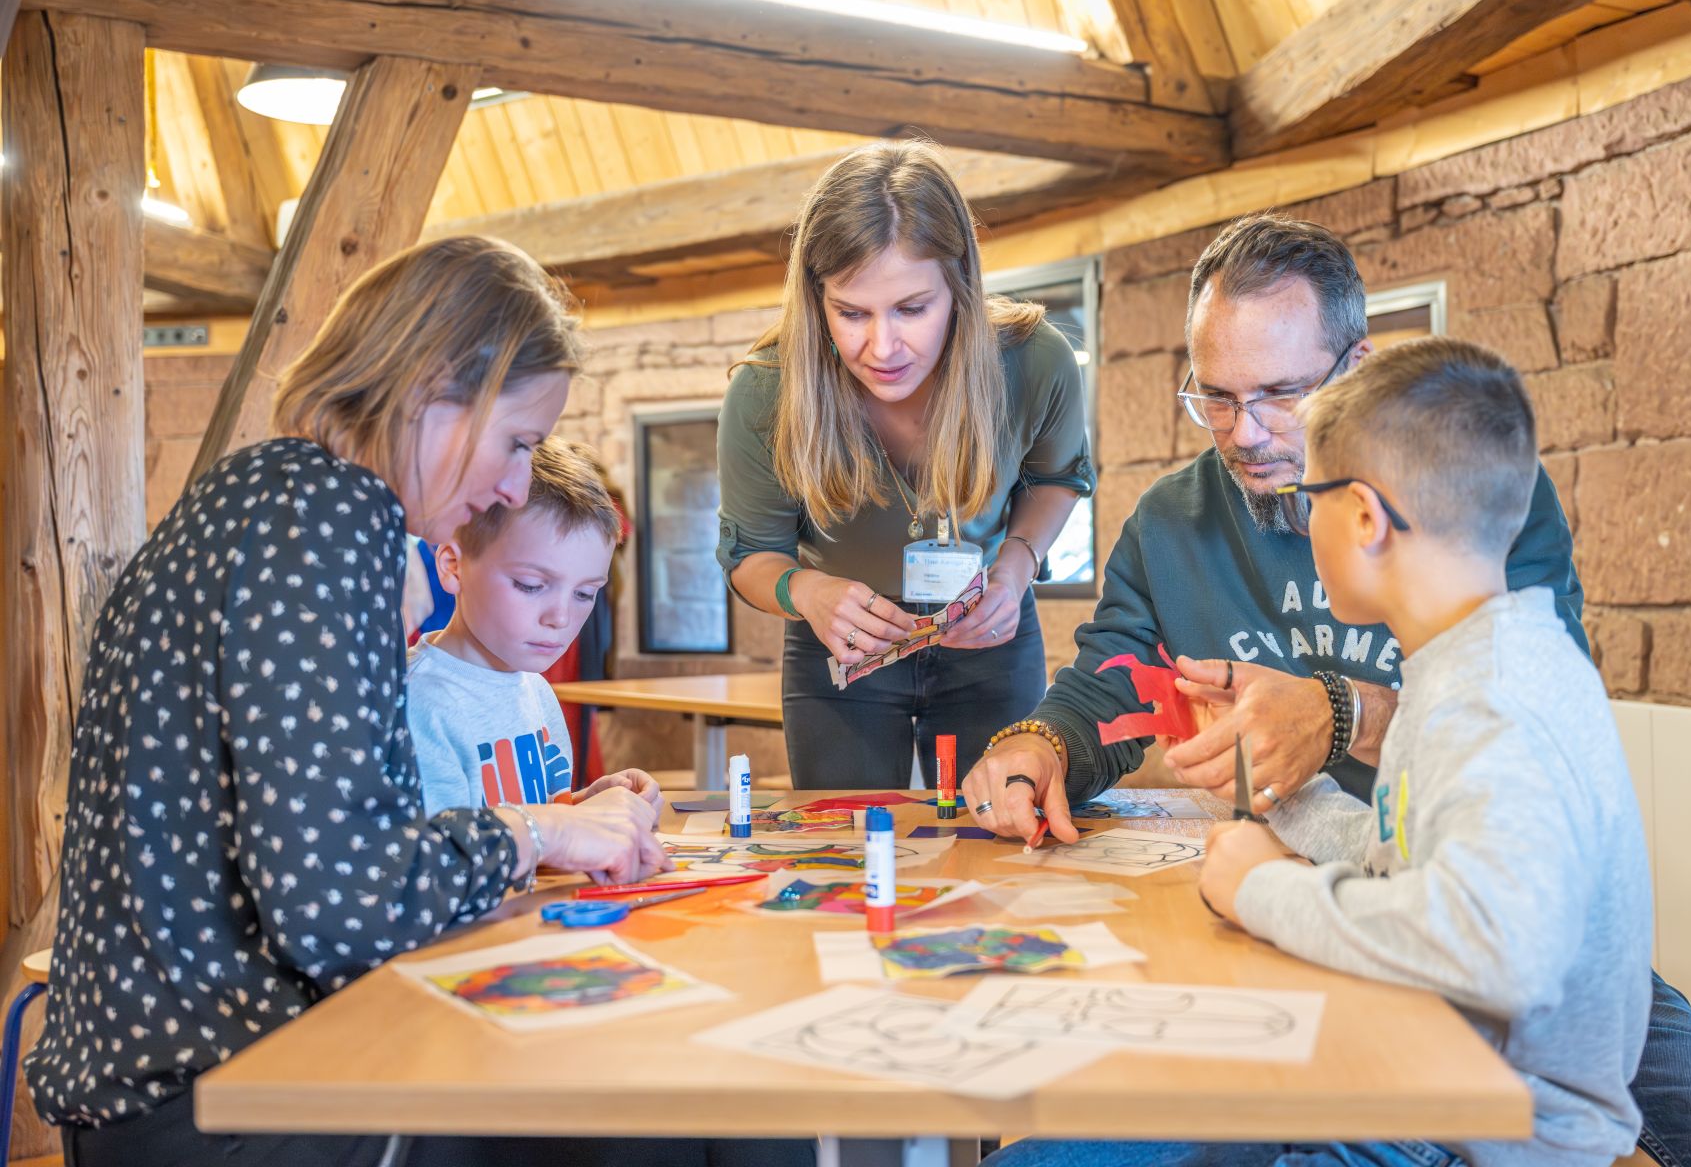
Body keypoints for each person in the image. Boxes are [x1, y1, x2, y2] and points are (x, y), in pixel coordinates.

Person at [964, 213, 1691, 1166]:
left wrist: (1339, 713)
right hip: (1336, 903)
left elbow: (1524, 734)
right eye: (1216, 397)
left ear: (1355, 367)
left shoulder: (1472, 502)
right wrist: (1041, 744)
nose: (1247, 433)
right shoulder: (1171, 520)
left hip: (1473, 939)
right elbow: (1109, 683)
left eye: (1282, 394)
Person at [24, 236, 799, 1167]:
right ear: (433, 389)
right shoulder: (324, 519)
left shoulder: (263, 496)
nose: (512, 484)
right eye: (516, 442)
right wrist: (540, 834)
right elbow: (343, 905)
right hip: (223, 1101)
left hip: (198, 1081)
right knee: (670, 1101)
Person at [994, 338, 1656, 1167]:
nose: (1298, 523)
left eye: (1312, 501)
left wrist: (1262, 887)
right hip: (1427, 1078)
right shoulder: (1477, 661)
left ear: (1367, 520)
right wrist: (1277, 800)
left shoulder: (1487, 701)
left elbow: (1498, 951)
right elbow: (1406, 859)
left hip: (1464, 1129)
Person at [716, 140, 1094, 788]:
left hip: (987, 630)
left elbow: (1058, 481)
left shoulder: (1034, 361)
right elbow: (751, 556)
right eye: (850, 313)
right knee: (848, 847)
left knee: (1004, 842)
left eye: (913, 309)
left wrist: (1015, 565)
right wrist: (805, 591)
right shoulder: (766, 390)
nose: (882, 347)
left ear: (961, 289)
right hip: (841, 642)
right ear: (815, 300)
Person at [409, 435, 658, 814]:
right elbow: (444, 852)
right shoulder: (419, 702)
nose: (560, 618)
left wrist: (587, 805)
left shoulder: (535, 690)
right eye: (531, 585)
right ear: (453, 566)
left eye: (584, 594)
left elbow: (539, 817)